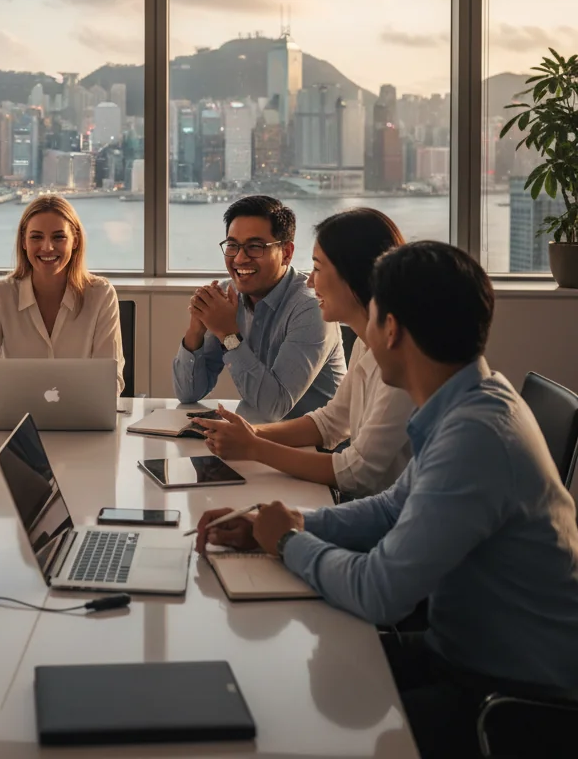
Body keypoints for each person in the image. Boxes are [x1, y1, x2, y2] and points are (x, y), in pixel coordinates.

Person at [195, 242, 578, 759]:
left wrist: (286, 542)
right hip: (466, 649)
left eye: (372, 316)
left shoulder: (474, 436)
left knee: (302, 726)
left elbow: (379, 593)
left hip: (513, 698)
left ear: (391, 329)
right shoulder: (471, 402)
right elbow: (388, 509)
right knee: (286, 685)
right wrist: (279, 522)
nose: (366, 333)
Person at [194, 209, 413, 496]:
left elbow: (358, 473)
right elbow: (331, 422)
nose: (310, 282)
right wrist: (249, 434)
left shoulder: (401, 359)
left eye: (318, 269)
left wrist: (254, 447)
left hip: (378, 508)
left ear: (356, 274)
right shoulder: (366, 342)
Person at [174, 195, 344, 422]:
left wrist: (228, 335)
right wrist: (196, 331)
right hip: (256, 435)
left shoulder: (311, 307)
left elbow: (274, 408)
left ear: (286, 253)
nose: (240, 258)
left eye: (254, 247)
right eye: (232, 245)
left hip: (317, 440)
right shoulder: (227, 296)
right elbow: (188, 394)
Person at [0, 195, 124, 401]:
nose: (47, 247)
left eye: (58, 237)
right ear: (24, 242)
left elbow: (110, 382)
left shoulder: (101, 294)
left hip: (81, 418)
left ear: (75, 240)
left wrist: (19, 389)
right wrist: (31, 392)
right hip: (18, 417)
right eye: (36, 237)